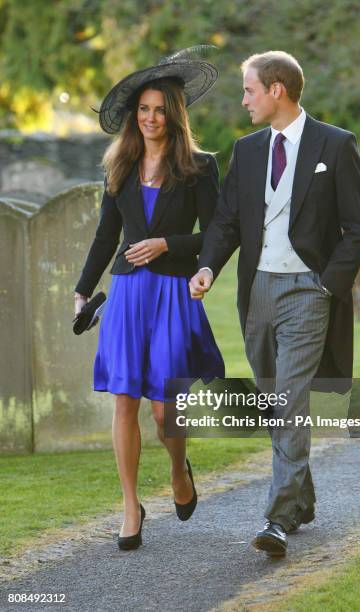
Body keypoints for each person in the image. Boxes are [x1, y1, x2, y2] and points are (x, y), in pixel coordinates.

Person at [189, 51, 360, 557]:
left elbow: (357, 230)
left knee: (288, 400)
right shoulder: (246, 151)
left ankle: (277, 519)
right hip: (258, 291)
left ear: (277, 90)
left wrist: (326, 287)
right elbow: (226, 221)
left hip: (309, 292)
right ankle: (302, 498)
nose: (243, 99)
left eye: (249, 90)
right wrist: (207, 267)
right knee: (275, 401)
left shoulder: (336, 145)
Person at [74, 48, 224, 551]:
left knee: (165, 412)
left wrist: (169, 245)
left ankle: (179, 471)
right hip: (127, 294)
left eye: (160, 109)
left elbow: (220, 233)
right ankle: (130, 506)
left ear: (174, 114)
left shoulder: (200, 168)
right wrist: (81, 290)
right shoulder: (119, 165)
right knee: (124, 399)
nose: (151, 118)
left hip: (173, 295)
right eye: (144, 109)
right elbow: (103, 236)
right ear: (134, 116)